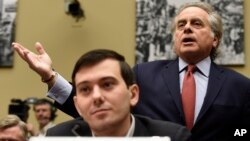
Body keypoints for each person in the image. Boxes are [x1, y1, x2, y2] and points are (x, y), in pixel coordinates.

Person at [12, 1, 250, 141]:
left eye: (196, 24)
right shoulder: (144, 75)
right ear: (175, 37)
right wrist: (50, 76)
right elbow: (96, 108)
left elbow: (243, 132)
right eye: (181, 25)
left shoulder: (241, 86)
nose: (187, 28)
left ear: (216, 39)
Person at [41, 49, 191, 140]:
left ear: (132, 95)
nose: (96, 96)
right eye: (85, 89)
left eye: (107, 84)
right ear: (77, 105)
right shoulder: (57, 137)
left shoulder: (173, 137)